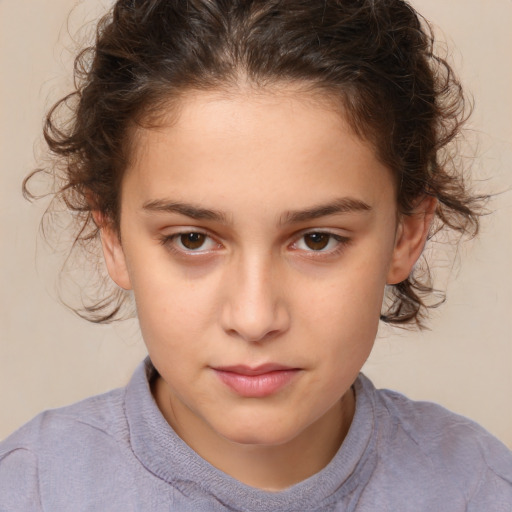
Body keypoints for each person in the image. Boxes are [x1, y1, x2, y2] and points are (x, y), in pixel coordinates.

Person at [1, 0, 511, 509]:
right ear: (112, 237)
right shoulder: (32, 489)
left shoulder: (478, 488)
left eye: (317, 240)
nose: (253, 318)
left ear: (405, 236)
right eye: (192, 239)